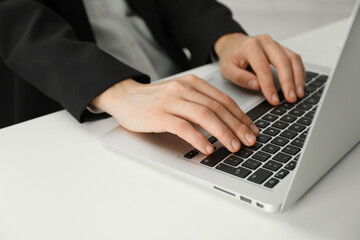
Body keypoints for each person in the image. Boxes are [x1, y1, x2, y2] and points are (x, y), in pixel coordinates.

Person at [0, 0, 305, 154]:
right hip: (74, 109)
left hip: (180, 85)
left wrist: (224, 37)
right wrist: (117, 92)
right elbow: (13, 18)